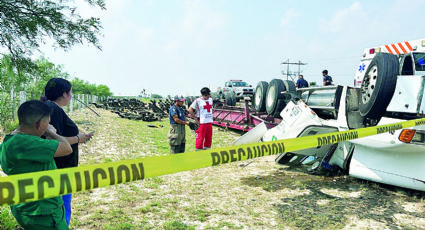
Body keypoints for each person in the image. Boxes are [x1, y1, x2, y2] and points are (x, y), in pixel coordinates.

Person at [1, 100, 73, 230]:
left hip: (25, 209)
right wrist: (52, 133)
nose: (48, 126)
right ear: (39, 124)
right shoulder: (27, 143)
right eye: (47, 123)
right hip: (44, 214)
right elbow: (67, 148)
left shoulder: (9, 141)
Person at [41, 78, 94, 226]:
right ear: (64, 94)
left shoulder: (48, 108)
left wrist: (80, 138)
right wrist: (78, 138)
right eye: (70, 93)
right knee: (61, 211)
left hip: (57, 168)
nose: (71, 96)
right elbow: (54, 140)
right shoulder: (53, 109)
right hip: (60, 169)